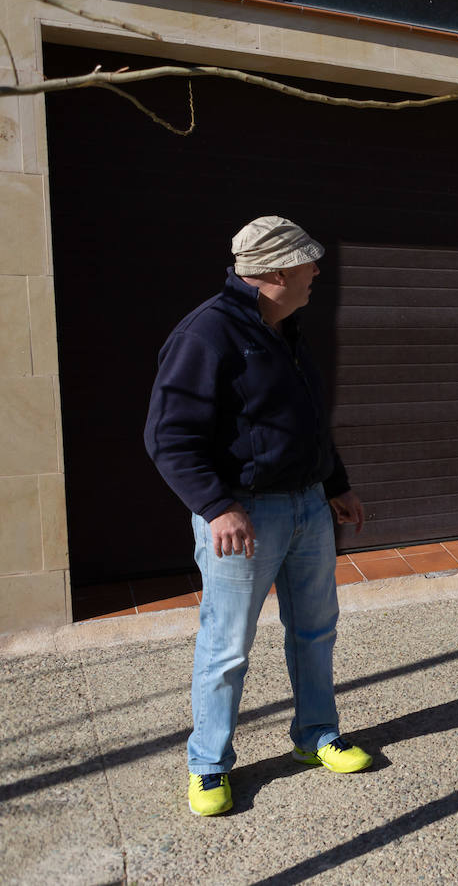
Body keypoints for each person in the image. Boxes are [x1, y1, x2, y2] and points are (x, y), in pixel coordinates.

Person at [145, 216, 372, 817]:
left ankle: (316, 736)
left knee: (316, 628)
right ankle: (209, 764)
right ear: (272, 273)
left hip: (307, 508)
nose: (317, 271)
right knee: (227, 645)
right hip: (245, 517)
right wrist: (217, 506)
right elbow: (169, 437)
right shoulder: (206, 335)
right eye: (307, 263)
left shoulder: (286, 327)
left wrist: (335, 483)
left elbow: (304, 422)